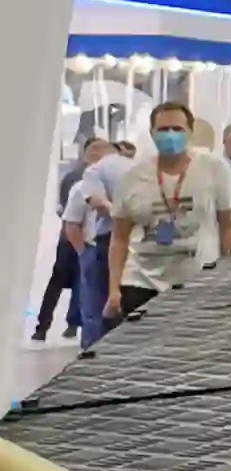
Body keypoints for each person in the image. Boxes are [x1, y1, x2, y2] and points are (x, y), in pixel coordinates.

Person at [104, 102, 231, 331]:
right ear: (152, 133)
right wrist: (113, 289)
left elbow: (229, 226)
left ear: (190, 131)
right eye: (163, 129)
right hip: (141, 282)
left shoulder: (214, 169)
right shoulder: (132, 177)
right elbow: (119, 238)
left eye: (177, 129)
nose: (170, 135)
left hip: (199, 281)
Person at [34, 139, 109, 340]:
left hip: (74, 240)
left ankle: (45, 327)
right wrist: (82, 249)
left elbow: (62, 210)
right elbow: (68, 216)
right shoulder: (81, 182)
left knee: (67, 284)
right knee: (80, 284)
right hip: (77, 241)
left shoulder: (73, 177)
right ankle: (70, 325)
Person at [69, 141, 136, 349]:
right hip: (139, 240)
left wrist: (117, 213)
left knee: (99, 303)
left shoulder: (94, 171)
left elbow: (96, 202)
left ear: (92, 155)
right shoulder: (138, 167)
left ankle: (96, 350)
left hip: (109, 240)